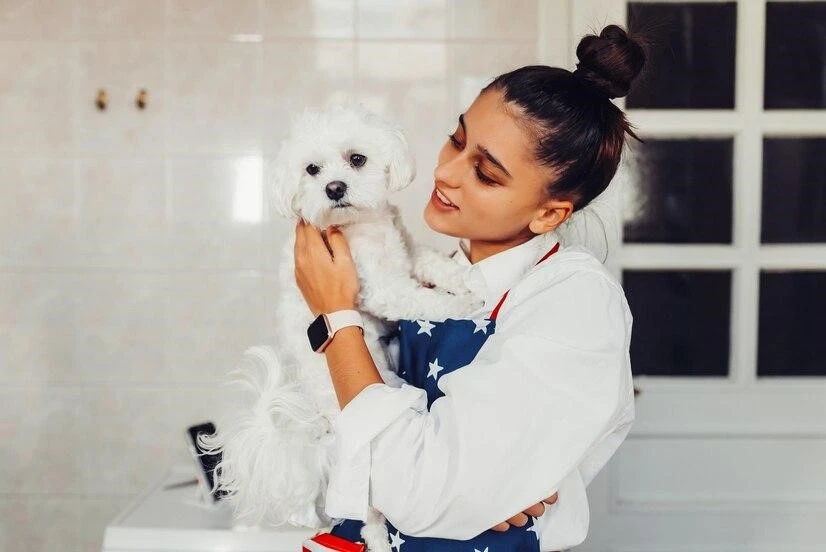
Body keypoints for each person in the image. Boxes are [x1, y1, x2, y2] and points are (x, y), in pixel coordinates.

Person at [293, 23, 647, 552]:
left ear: (549, 214)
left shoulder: (574, 303)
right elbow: (347, 435)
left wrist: (334, 317)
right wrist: (480, 490)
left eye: (485, 172)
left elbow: (418, 491)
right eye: (457, 140)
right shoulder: (428, 271)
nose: (447, 173)